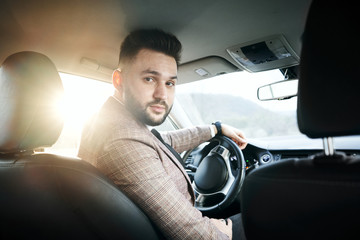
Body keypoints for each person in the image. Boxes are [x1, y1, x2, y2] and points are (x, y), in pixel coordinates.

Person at [78, 29, 247, 240]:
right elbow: (191, 232)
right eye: (149, 79)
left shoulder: (112, 121)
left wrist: (215, 129)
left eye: (170, 83)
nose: (162, 95)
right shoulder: (123, 139)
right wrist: (221, 231)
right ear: (119, 80)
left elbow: (163, 142)